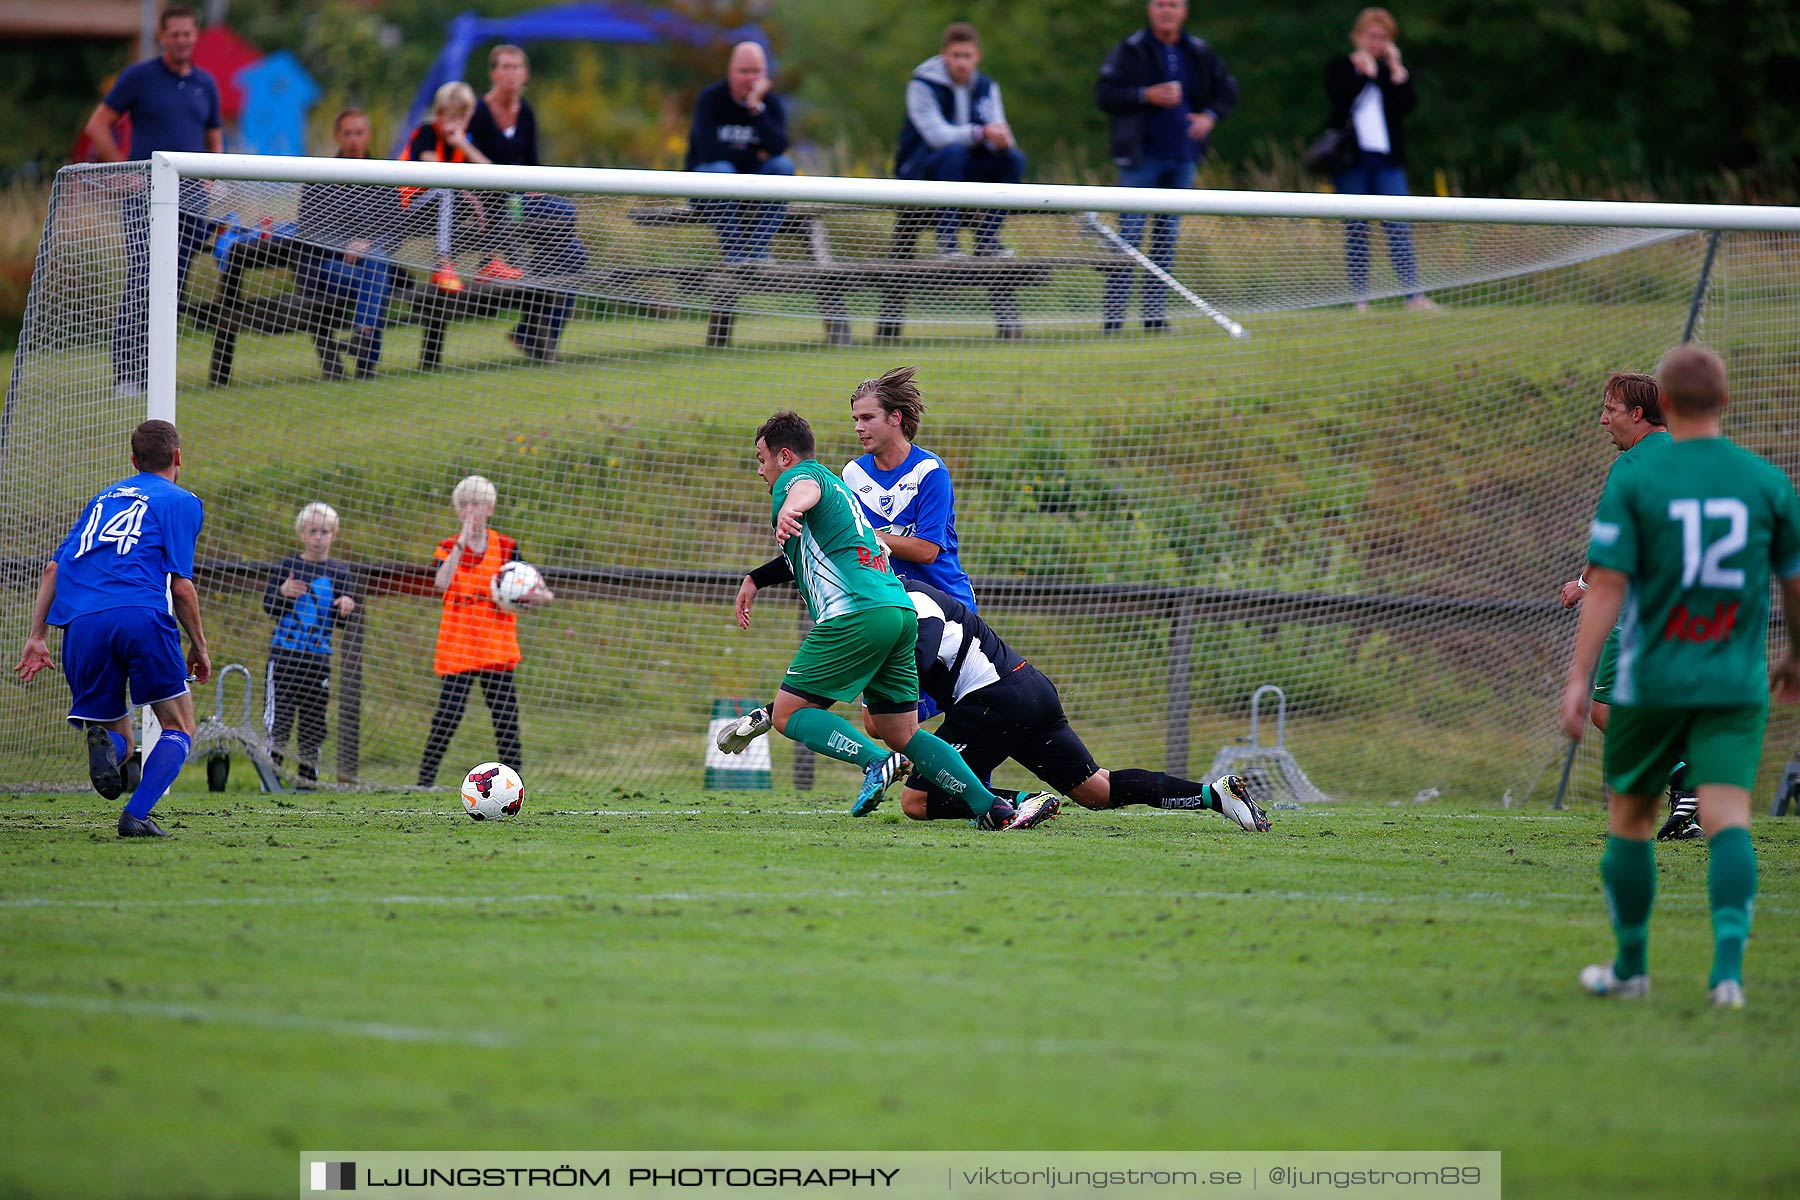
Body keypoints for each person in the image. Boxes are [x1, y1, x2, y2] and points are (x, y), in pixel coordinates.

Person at [1560, 344, 1800, 1010]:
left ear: (1662, 405)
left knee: (1630, 819)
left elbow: (1607, 583)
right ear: (1723, 402)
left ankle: (1631, 968)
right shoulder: (1766, 482)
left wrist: (1580, 675)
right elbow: (1795, 583)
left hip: (1652, 674)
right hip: (1733, 675)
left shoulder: (1638, 478)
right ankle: (1728, 975)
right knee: (1730, 819)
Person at [733, 574, 1269, 830]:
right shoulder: (907, 603)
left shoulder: (911, 610)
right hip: (1029, 690)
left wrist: (889, 740)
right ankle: (1215, 795)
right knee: (1097, 790)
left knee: (916, 800)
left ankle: (1016, 803)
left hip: (993, 702)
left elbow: (899, 710)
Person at [744, 411, 1059, 831]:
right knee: (902, 731)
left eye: (762, 458)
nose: (760, 469)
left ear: (784, 456)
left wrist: (789, 510)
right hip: (898, 609)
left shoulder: (798, 480)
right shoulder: (841, 487)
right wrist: (756, 578)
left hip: (855, 613)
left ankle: (876, 763)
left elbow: (803, 489)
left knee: (787, 714)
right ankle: (992, 807)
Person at [722, 366, 976, 751]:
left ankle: (776, 713)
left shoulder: (929, 471)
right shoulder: (853, 474)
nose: (859, 427)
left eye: (868, 418)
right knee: (879, 724)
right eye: (855, 419)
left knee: (947, 710)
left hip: (940, 606)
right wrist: (758, 577)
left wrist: (870, 536)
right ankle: (971, 792)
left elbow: (926, 550)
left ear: (896, 418)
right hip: (889, 599)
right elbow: (835, 546)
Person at [13, 420, 211, 838]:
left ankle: (116, 750)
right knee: (178, 726)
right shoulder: (181, 500)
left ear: (133, 460)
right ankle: (136, 816)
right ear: (177, 458)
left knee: (118, 733)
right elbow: (181, 586)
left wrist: (37, 637)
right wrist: (200, 646)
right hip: (138, 614)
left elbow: (53, 568)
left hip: (81, 623)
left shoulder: (101, 500)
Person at [1558, 371, 1698, 840]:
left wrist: (1582, 583)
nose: (1603, 420)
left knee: (1605, 709)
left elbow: (1612, 543)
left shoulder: (1631, 465)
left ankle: (1684, 778)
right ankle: (1687, 803)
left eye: (1610, 410)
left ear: (1637, 415)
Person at [84, 5, 222, 396]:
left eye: (188, 34)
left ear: (196, 36)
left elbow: (214, 135)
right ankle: (128, 374)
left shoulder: (205, 83)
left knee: (174, 284)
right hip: (146, 197)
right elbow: (97, 126)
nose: (182, 40)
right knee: (144, 277)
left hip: (193, 199)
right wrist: (125, 171)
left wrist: (213, 175)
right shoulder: (139, 77)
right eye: (174, 34)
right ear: (162, 36)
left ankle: (156, 373)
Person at [1095, 0, 1238, 332]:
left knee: (1166, 238)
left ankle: (1154, 316)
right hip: (1141, 156)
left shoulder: (1198, 51)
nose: (1166, 11)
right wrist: (1146, 95)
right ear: (1149, 9)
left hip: (1183, 155)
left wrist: (1209, 116)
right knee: (1128, 236)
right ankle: (1114, 319)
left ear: (1184, 11)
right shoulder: (1131, 50)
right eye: (1160, 4)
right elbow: (1104, 94)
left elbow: (1228, 90)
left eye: (1173, 4)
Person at [417, 475, 553, 787]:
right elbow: (441, 582)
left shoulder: (506, 546)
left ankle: (514, 783)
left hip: (495, 646)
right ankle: (423, 781)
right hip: (459, 645)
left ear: (490, 508)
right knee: (447, 716)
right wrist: (462, 542)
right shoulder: (448, 546)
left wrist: (539, 597)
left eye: (476, 503)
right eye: (464, 504)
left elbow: (538, 590)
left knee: (506, 716)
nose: (470, 510)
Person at [1324, 7, 1433, 311]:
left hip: (1387, 161)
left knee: (1398, 226)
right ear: (1358, 36)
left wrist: (1395, 70)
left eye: (1384, 38)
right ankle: (1360, 299)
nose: (1378, 43)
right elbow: (1338, 102)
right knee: (1356, 228)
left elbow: (1407, 106)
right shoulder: (1341, 67)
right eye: (1373, 36)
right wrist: (1363, 75)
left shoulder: (1389, 74)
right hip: (1352, 162)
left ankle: (1414, 296)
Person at [895, 23, 1025, 258]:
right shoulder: (922, 85)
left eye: (967, 56)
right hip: (922, 171)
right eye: (956, 55)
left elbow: (1000, 131)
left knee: (1013, 159)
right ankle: (947, 241)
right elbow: (938, 137)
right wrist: (980, 133)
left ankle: (987, 240)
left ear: (977, 57)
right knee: (954, 152)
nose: (961, 62)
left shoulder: (986, 86)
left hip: (964, 171)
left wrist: (1002, 141)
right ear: (944, 54)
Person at [296, 108, 402, 379]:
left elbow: (395, 232)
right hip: (329, 268)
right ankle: (366, 358)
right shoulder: (320, 179)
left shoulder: (384, 176)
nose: (354, 139)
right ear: (336, 136)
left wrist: (368, 246)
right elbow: (308, 231)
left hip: (371, 266)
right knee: (378, 275)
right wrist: (344, 247)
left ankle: (361, 337)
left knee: (377, 263)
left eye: (359, 132)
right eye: (348, 133)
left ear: (368, 135)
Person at [262, 502, 358, 788]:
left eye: (324, 532)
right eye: (312, 531)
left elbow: (343, 617)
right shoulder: (288, 566)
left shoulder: (340, 572)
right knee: (279, 719)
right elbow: (270, 606)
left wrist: (346, 606)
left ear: (334, 534)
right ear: (302, 533)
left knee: (314, 722)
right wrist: (283, 592)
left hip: (318, 660)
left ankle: (308, 778)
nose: (318, 537)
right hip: (284, 658)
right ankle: (270, 776)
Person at [685, 42, 794, 263]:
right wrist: (755, 156)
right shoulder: (711, 98)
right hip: (709, 187)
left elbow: (779, 147)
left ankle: (757, 253)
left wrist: (755, 108)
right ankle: (734, 254)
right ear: (731, 72)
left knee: (783, 166)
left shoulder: (770, 103)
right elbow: (709, 151)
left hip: (751, 190)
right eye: (744, 71)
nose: (750, 78)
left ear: (765, 74)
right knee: (722, 170)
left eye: (756, 71)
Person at [399, 82, 500, 292]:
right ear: (438, 113)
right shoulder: (427, 132)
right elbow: (437, 174)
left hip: (444, 211)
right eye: (450, 116)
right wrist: (470, 198)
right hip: (408, 209)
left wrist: (463, 144)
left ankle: (490, 260)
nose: (455, 123)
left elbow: (492, 173)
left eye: (460, 117)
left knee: (495, 190)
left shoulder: (464, 142)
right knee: (447, 190)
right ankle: (442, 264)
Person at [467, 44, 540, 168]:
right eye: (505, 67)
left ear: (525, 74)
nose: (511, 73)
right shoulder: (477, 110)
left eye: (516, 67)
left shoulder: (526, 112)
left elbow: (532, 160)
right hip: (480, 183)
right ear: (492, 73)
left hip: (516, 183)